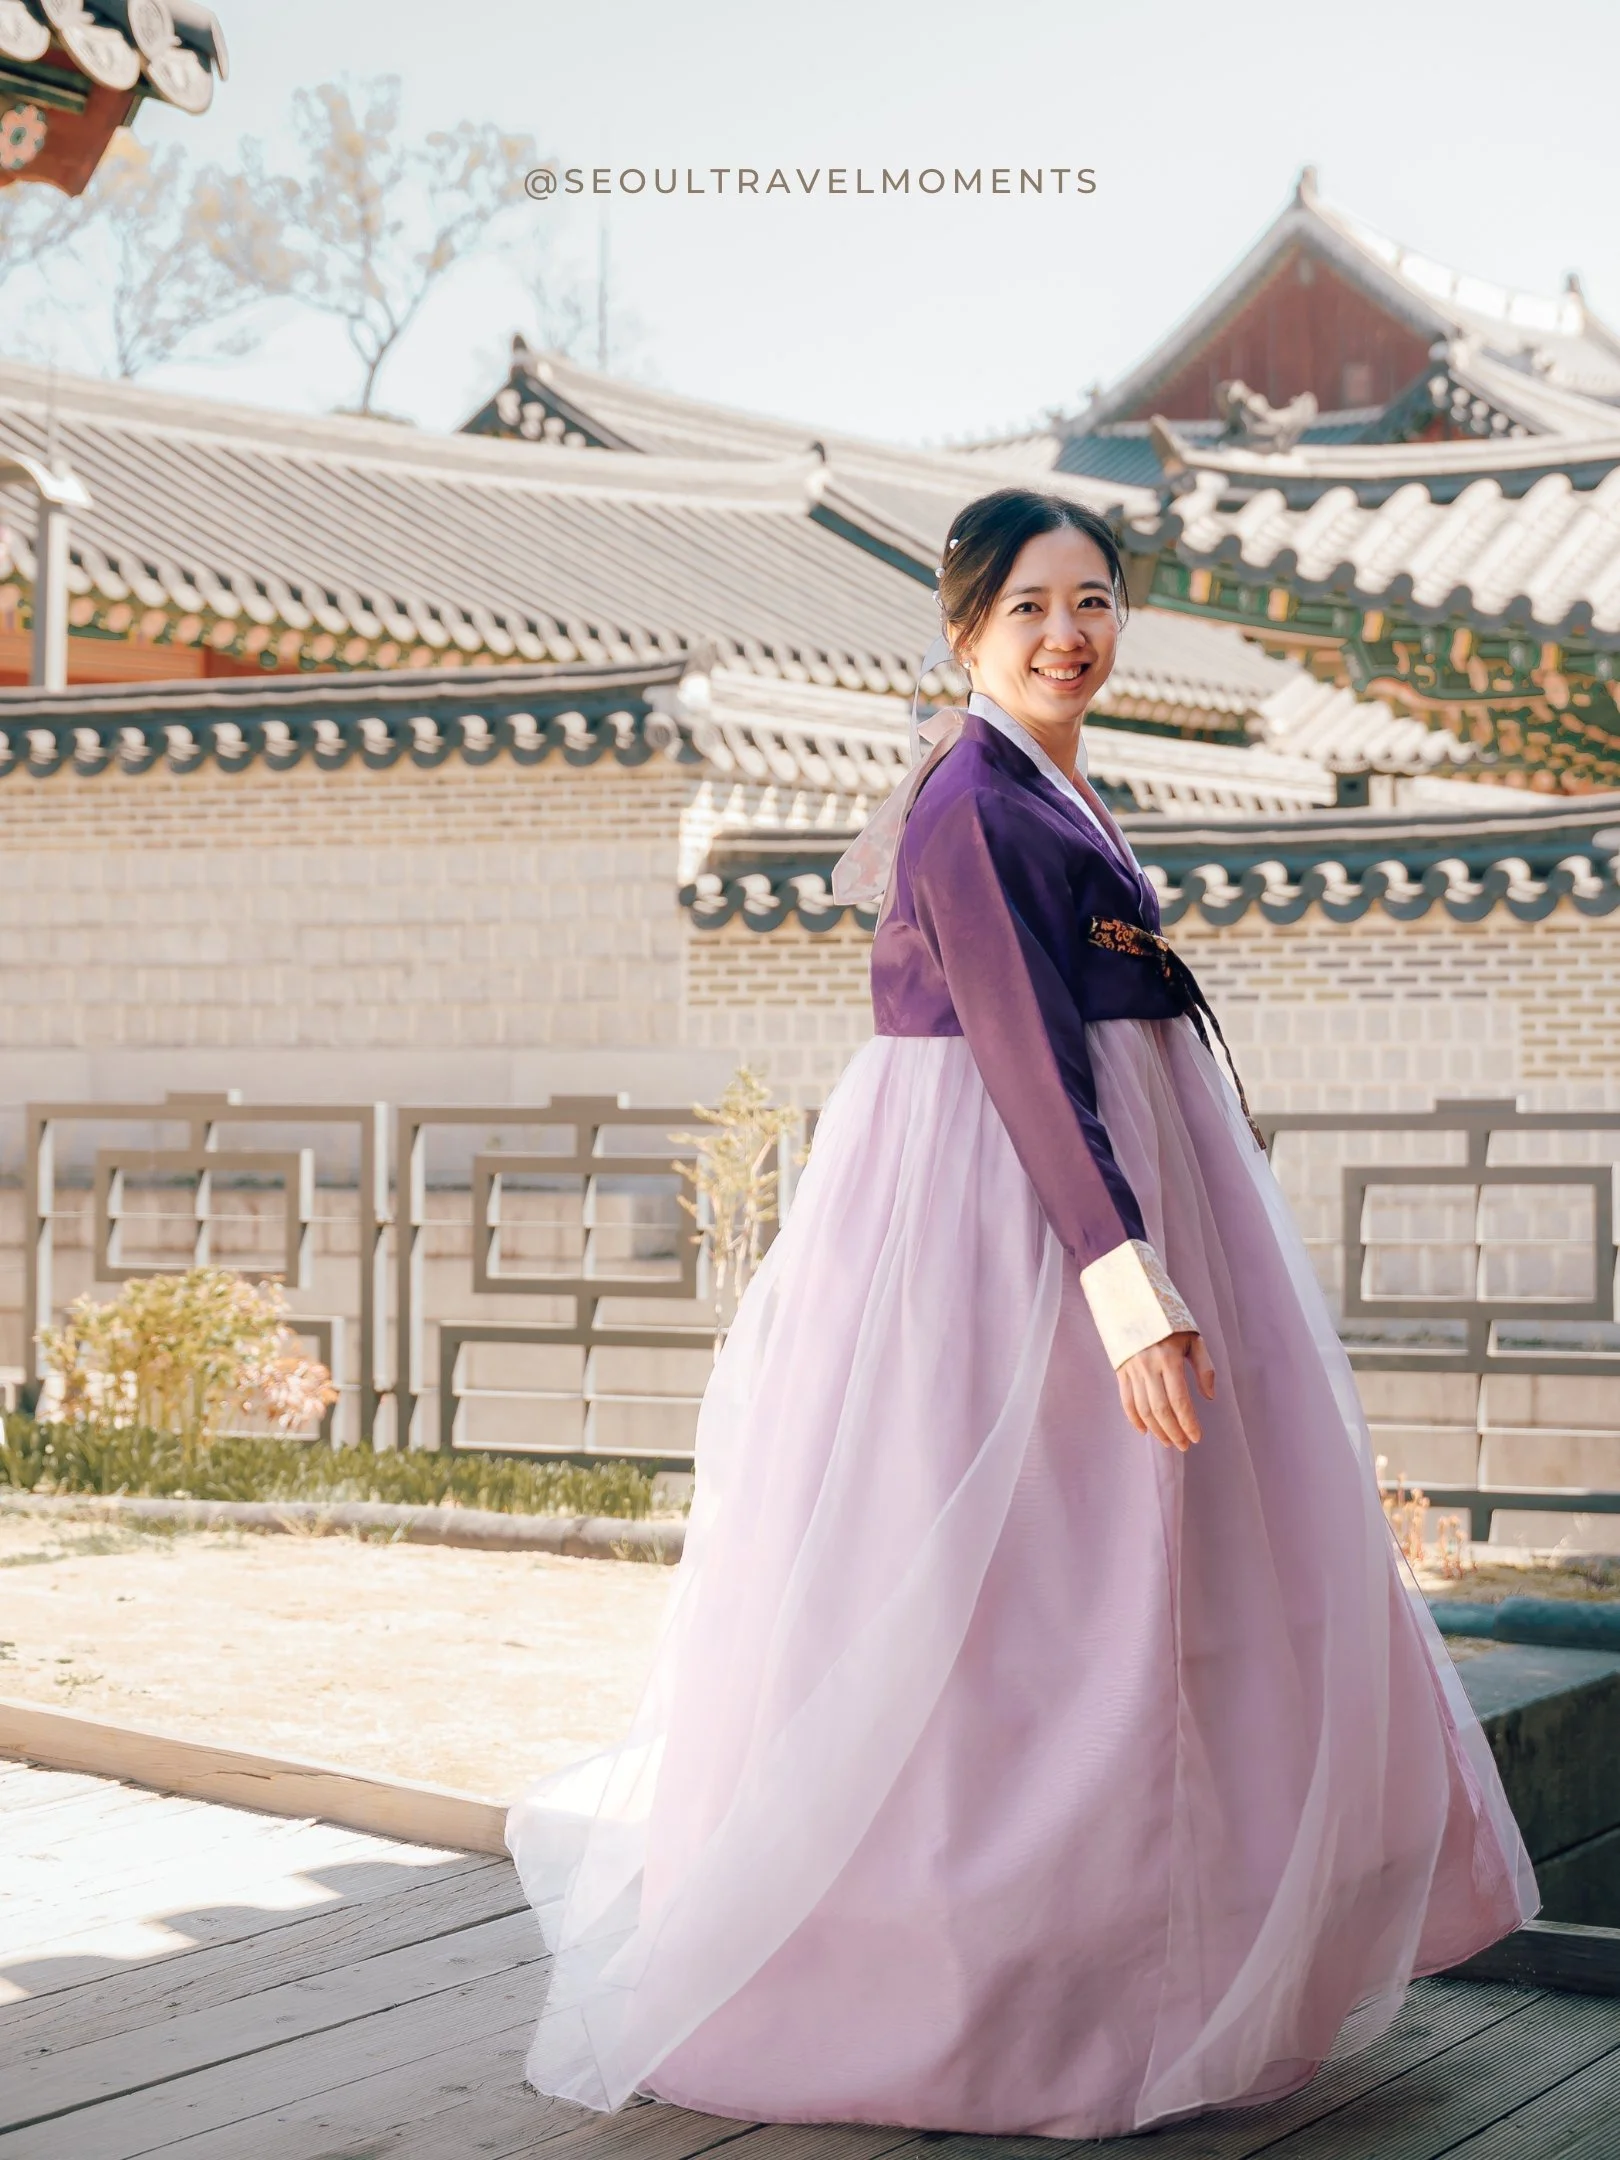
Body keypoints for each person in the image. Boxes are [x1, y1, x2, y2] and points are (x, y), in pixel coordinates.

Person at [505, 486, 1537, 2140]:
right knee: (1017, 1593)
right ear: (966, 627)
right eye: (1030, 607)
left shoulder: (1055, 786)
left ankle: (1146, 1980)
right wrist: (1126, 1285)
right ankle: (975, 1995)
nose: (1068, 634)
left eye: (1094, 602)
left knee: (1148, 1581)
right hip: (1006, 1223)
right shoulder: (976, 799)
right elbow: (1026, 1058)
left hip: (1104, 1187)